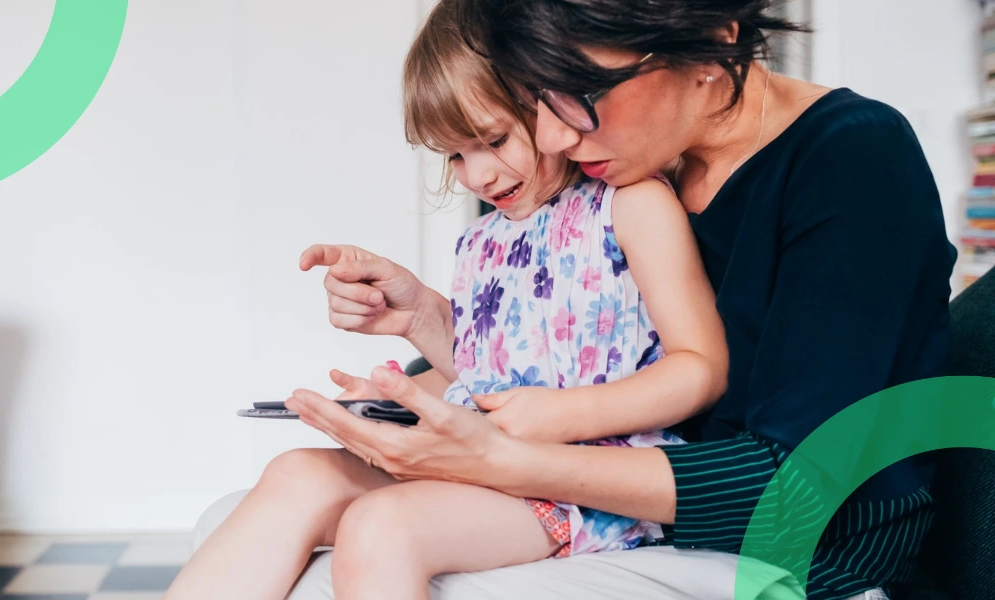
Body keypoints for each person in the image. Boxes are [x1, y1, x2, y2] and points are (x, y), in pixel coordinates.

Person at [275, 1, 957, 599]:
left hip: (794, 561)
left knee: (349, 560)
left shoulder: (851, 157)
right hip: (629, 517)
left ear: (711, 47)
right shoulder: (641, 165)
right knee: (266, 516)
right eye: (535, 100)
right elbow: (573, 369)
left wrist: (506, 461)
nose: (552, 137)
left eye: (579, 93)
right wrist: (427, 328)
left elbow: (796, 488)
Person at [164, 1, 727, 598]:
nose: (476, 175)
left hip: (583, 487)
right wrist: (395, 402)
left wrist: (555, 416)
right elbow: (488, 379)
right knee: (294, 473)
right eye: (455, 154)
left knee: (383, 525)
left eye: (492, 139)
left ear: (552, 102)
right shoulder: (480, 242)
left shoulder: (630, 205)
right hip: (481, 465)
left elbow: (700, 371)